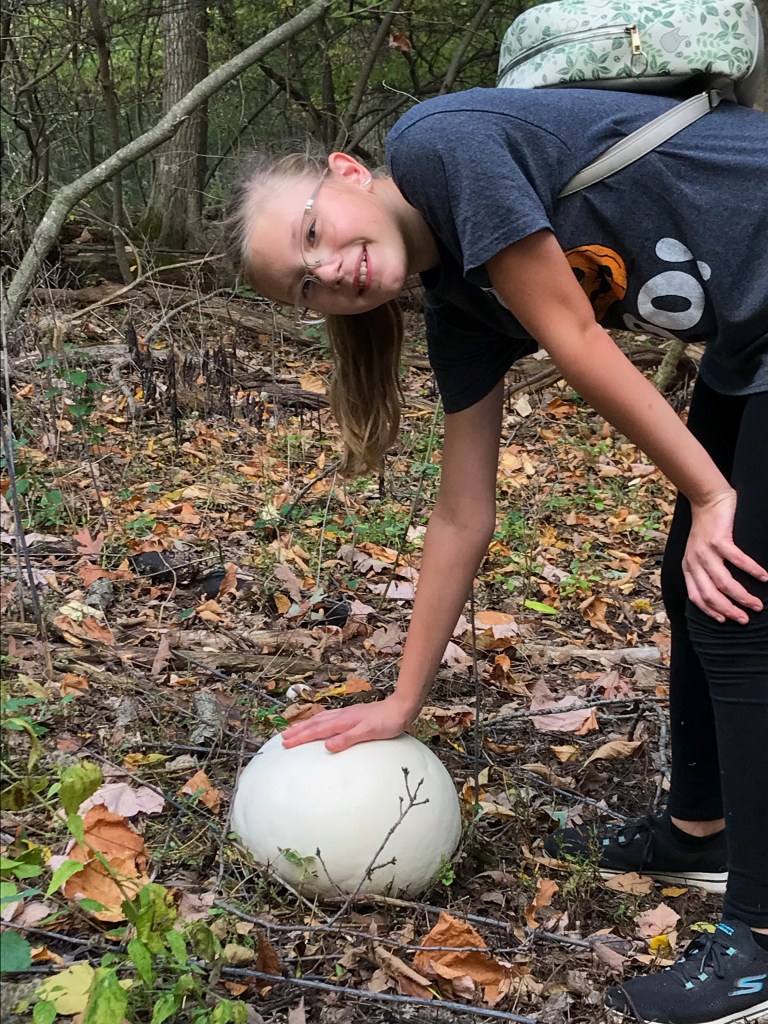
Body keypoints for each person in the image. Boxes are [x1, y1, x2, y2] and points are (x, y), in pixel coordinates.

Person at [224, 86, 768, 1024]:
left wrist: (718, 494)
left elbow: (577, 334)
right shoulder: (460, 305)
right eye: (303, 285)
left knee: (737, 598)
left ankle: (761, 950)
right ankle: (699, 830)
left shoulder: (438, 148)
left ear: (348, 173)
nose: (329, 272)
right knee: (695, 585)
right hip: (751, 339)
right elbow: (461, 515)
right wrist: (402, 698)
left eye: (313, 231)